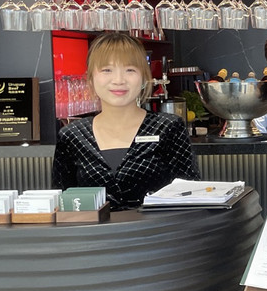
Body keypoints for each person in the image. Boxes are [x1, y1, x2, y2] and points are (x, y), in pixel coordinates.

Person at [52, 32, 199, 210]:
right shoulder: (72, 135)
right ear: (91, 78)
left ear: (144, 78)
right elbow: (62, 203)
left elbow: (191, 196)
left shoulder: (168, 128)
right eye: (107, 70)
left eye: (130, 70)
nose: (119, 80)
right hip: (91, 229)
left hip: (159, 228)